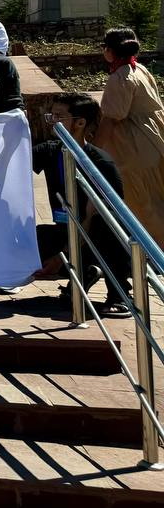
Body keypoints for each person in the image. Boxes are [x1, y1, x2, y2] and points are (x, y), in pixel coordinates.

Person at [34, 94, 130, 317]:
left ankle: (120, 295)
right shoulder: (50, 151)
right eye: (51, 115)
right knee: (32, 237)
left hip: (94, 233)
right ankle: (84, 274)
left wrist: (61, 257)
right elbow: (12, 159)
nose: (52, 121)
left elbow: (96, 218)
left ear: (80, 123)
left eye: (59, 116)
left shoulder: (100, 163)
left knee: (109, 232)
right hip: (66, 229)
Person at [97, 28, 164, 246]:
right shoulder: (140, 69)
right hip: (156, 138)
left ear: (109, 50)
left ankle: (154, 253)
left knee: (143, 205)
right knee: (157, 199)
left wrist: (93, 150)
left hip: (133, 146)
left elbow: (111, 118)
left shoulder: (120, 77)